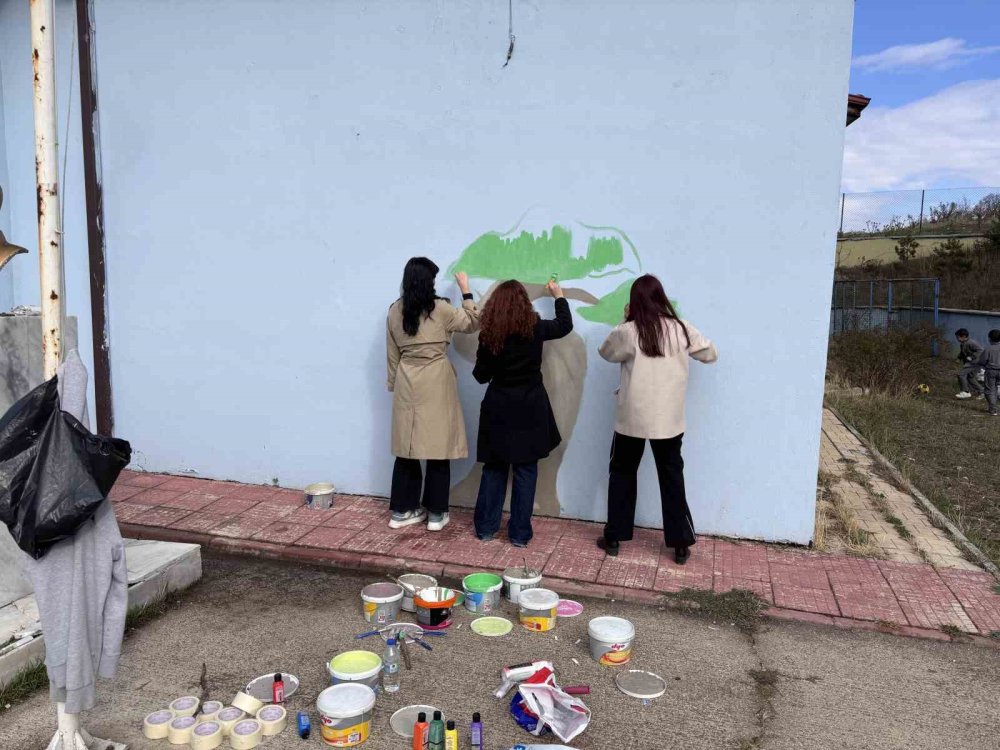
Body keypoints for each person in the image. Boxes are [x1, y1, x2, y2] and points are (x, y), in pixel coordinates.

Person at [596, 274, 717, 564]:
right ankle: (680, 544)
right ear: (661, 298)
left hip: (632, 418)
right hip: (669, 420)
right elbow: (711, 354)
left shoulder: (629, 331)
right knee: (672, 476)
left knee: (623, 473)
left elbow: (605, 352)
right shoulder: (681, 329)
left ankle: (614, 537)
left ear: (634, 302)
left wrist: (625, 321)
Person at [472, 279, 573, 546]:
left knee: (494, 468)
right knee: (526, 470)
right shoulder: (536, 327)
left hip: (499, 409)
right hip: (531, 408)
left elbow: (481, 376)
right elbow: (564, 325)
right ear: (524, 303)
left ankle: (485, 529)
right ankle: (519, 535)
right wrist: (558, 296)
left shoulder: (490, 333)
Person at [386, 258, 479, 531]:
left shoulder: (394, 311)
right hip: (437, 380)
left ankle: (401, 511)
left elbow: (392, 355)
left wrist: (395, 384)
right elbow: (474, 321)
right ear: (429, 282)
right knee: (439, 448)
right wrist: (466, 290)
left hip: (407, 380)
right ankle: (436, 514)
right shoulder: (441, 309)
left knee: (408, 448)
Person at [954, 328, 985, 400]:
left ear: (964, 336)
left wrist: (972, 357)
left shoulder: (971, 342)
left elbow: (981, 350)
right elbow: (962, 352)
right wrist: (959, 358)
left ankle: (965, 391)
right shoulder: (963, 344)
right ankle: (982, 391)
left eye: (958, 337)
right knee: (970, 378)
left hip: (974, 363)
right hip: (970, 363)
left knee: (961, 375)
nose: (957, 339)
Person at [979, 329, 1000, 417]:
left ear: (989, 338)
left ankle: (993, 409)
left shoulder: (988, 348)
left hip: (991, 370)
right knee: (996, 388)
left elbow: (983, 360)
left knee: (989, 389)